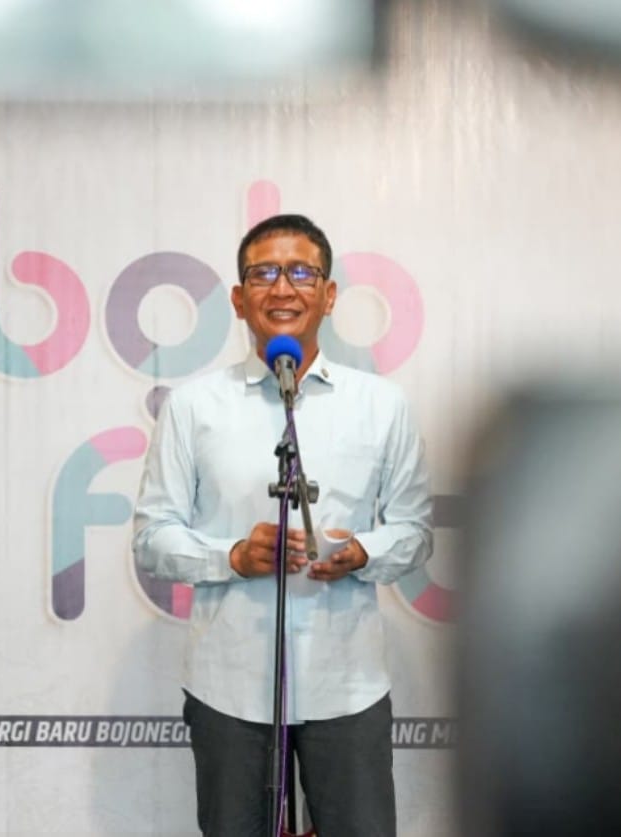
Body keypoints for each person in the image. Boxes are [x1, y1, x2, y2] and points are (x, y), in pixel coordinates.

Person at [133, 213, 434, 837]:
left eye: (301, 272)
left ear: (329, 294)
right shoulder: (194, 406)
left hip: (345, 684)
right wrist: (233, 557)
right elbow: (152, 537)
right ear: (238, 299)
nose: (283, 288)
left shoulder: (382, 405)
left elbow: (414, 531)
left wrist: (363, 553)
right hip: (231, 687)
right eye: (263, 273)